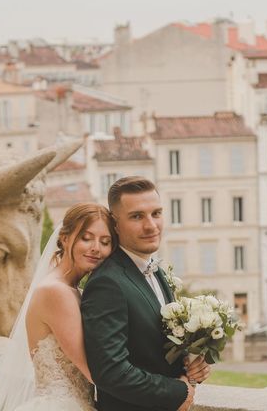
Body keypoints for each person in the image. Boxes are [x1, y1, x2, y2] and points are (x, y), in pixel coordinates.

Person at [81, 176, 211, 411]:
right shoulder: (107, 284)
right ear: (115, 224)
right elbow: (110, 372)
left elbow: (153, 349)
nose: (151, 225)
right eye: (137, 216)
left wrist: (191, 368)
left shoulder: (156, 269)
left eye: (156, 213)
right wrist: (179, 391)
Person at [0, 202, 117, 411]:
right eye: (86, 238)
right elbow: (93, 371)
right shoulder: (55, 292)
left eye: (105, 241)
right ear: (65, 238)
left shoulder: (73, 291)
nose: (96, 248)